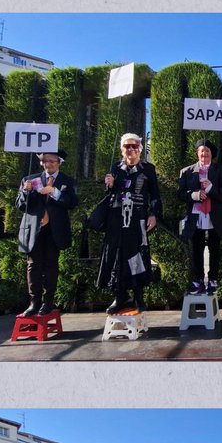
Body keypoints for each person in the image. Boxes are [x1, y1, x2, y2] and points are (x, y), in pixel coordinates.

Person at [96, 133, 162, 313]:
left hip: (137, 217)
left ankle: (138, 296)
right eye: (127, 146)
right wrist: (109, 184)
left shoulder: (147, 168)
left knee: (137, 255)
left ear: (139, 148)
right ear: (122, 149)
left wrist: (154, 214)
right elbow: (111, 194)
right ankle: (119, 296)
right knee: (117, 254)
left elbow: (155, 195)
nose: (131, 150)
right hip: (116, 218)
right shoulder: (116, 167)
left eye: (134, 146)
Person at [15, 149, 78, 317]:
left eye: (52, 161)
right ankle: (34, 302)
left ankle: (48, 302)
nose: (48, 164)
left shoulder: (67, 181)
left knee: (51, 265)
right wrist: (26, 192)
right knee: (33, 265)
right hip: (35, 228)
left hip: (54, 230)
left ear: (59, 162)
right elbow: (20, 205)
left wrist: (55, 192)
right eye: (45, 161)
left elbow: (72, 203)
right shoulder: (29, 179)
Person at [178, 138, 222, 294]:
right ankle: (198, 280)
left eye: (207, 151)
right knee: (196, 249)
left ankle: (213, 279)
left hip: (214, 216)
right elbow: (180, 194)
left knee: (215, 249)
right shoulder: (186, 172)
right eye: (202, 151)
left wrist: (210, 189)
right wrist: (195, 195)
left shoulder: (221, 171)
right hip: (196, 216)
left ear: (211, 155)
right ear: (197, 153)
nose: (204, 154)